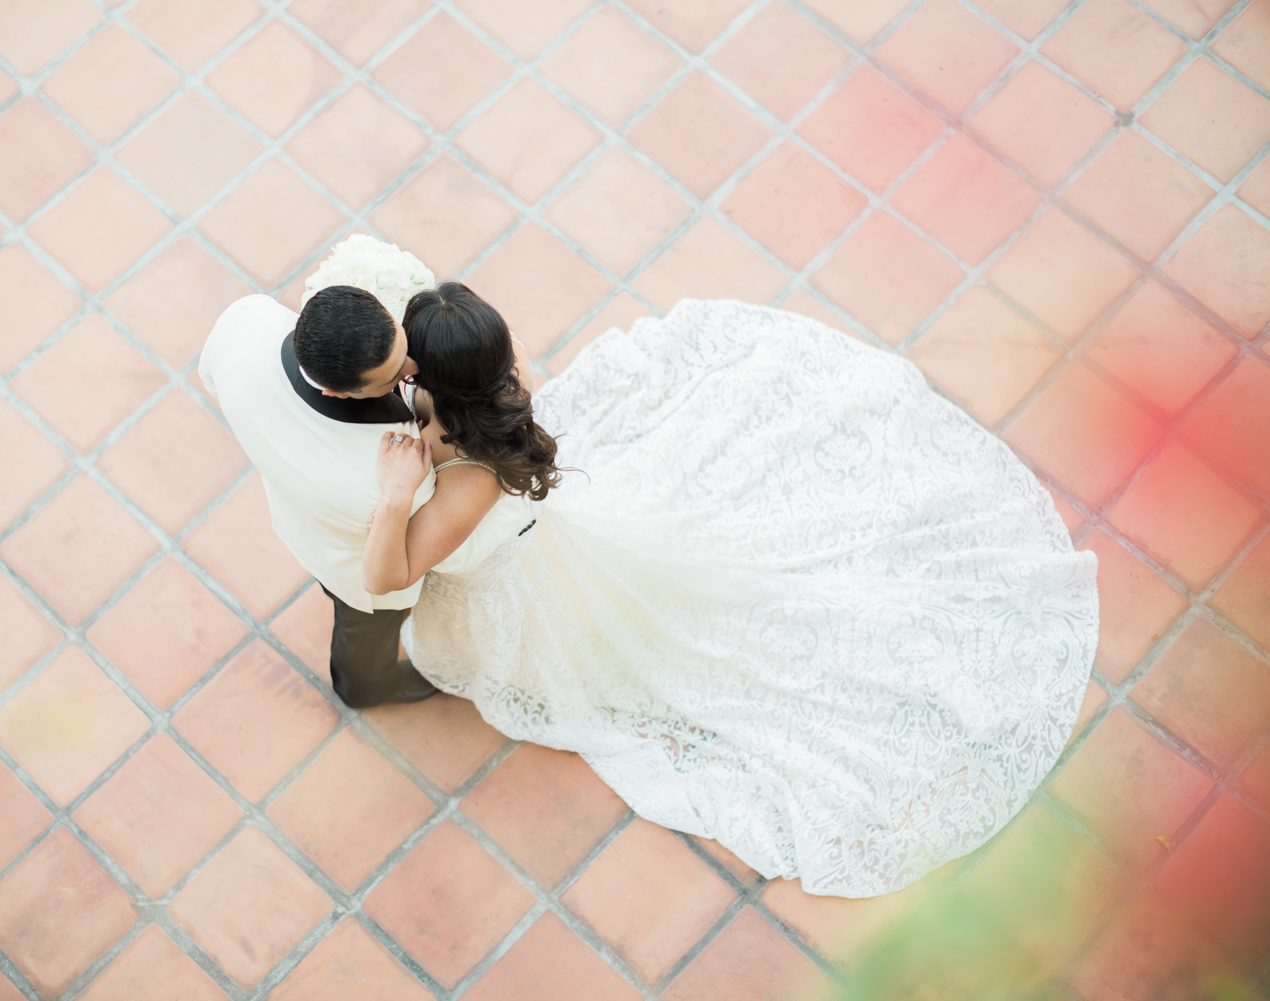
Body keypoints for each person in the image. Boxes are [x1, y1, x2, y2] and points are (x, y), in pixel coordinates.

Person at [363, 282, 1100, 898]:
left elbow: (386, 577)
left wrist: (396, 497)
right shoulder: (503, 379)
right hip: (566, 536)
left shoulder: (466, 485)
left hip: (540, 586)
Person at [196, 284, 442, 707]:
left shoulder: (245, 321)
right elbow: (393, 560)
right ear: (338, 393)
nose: (414, 367)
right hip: (352, 566)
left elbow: (212, 381)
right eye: (395, 375)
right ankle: (365, 688)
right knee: (364, 631)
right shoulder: (388, 473)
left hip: (296, 515)